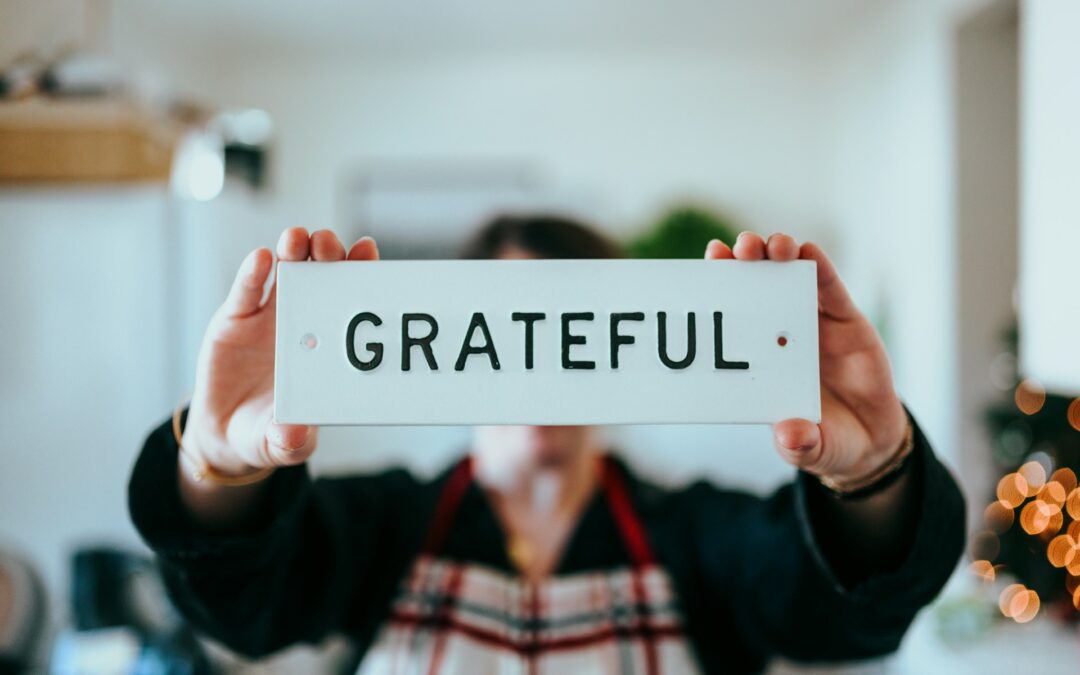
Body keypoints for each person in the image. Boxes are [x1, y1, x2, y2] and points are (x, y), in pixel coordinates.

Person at [129, 216, 966, 674]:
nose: (544, 371)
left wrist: (873, 474)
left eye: (575, 333)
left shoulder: (698, 532)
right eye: (516, 326)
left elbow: (840, 619)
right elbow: (245, 610)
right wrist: (220, 462)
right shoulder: (383, 520)